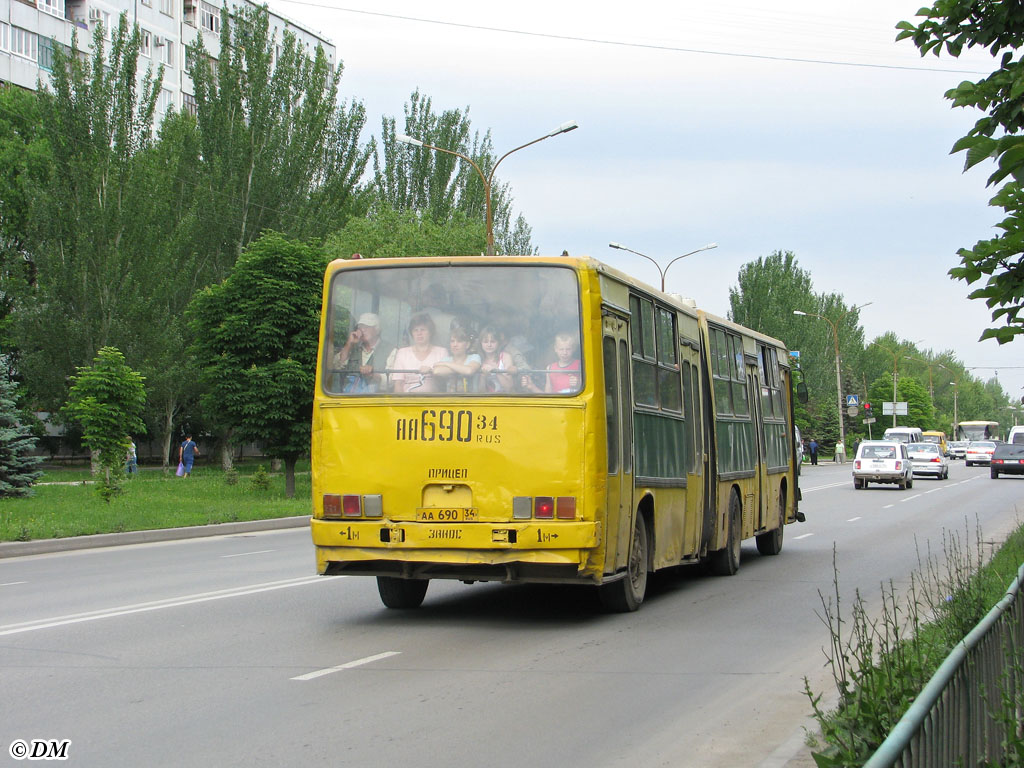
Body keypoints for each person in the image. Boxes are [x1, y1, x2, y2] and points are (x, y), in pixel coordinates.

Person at [333, 312, 394, 393]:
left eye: (367, 327)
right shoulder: (352, 348)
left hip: (377, 400)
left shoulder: (390, 350)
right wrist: (349, 343)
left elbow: (391, 381)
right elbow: (336, 366)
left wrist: (372, 374)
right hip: (348, 399)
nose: (363, 330)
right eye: (360, 327)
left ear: (377, 330)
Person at [390, 314, 447, 393]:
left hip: (434, 402)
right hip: (408, 402)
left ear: (430, 332)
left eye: (423, 329)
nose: (419, 333)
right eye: (415, 330)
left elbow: (445, 381)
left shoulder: (441, 352)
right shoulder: (402, 353)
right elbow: (398, 384)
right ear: (412, 333)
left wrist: (432, 371)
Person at [433, 324, 482, 393]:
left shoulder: (474, 357)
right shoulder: (447, 359)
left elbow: (469, 370)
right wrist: (462, 369)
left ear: (467, 345)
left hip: (470, 400)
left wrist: (446, 364)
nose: (455, 345)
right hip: (451, 400)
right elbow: (436, 371)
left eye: (459, 341)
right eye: (452, 341)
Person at [478, 326, 515, 392]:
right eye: (485, 342)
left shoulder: (505, 357)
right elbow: (480, 392)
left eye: (493, 341)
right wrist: (483, 376)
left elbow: (509, 387)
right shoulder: (478, 359)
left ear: (498, 343)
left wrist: (495, 371)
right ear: (481, 343)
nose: (489, 345)